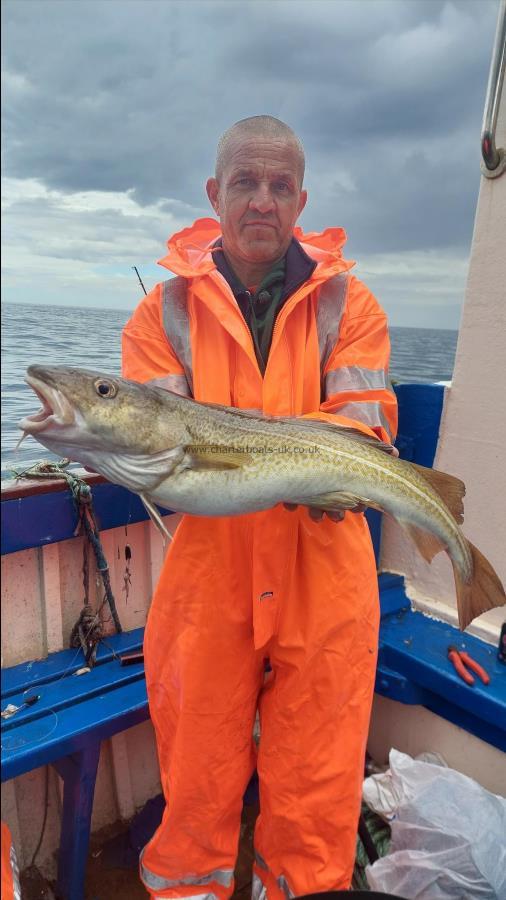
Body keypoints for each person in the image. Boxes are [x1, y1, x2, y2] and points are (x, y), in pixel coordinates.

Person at [122, 115, 397, 900]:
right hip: (210, 577)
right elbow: (155, 452)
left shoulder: (353, 304)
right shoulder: (163, 313)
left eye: (280, 186)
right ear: (215, 193)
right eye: (245, 181)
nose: (262, 201)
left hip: (326, 571)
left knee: (316, 787)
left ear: (301, 201)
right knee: (198, 774)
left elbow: (366, 422)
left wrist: (325, 473)